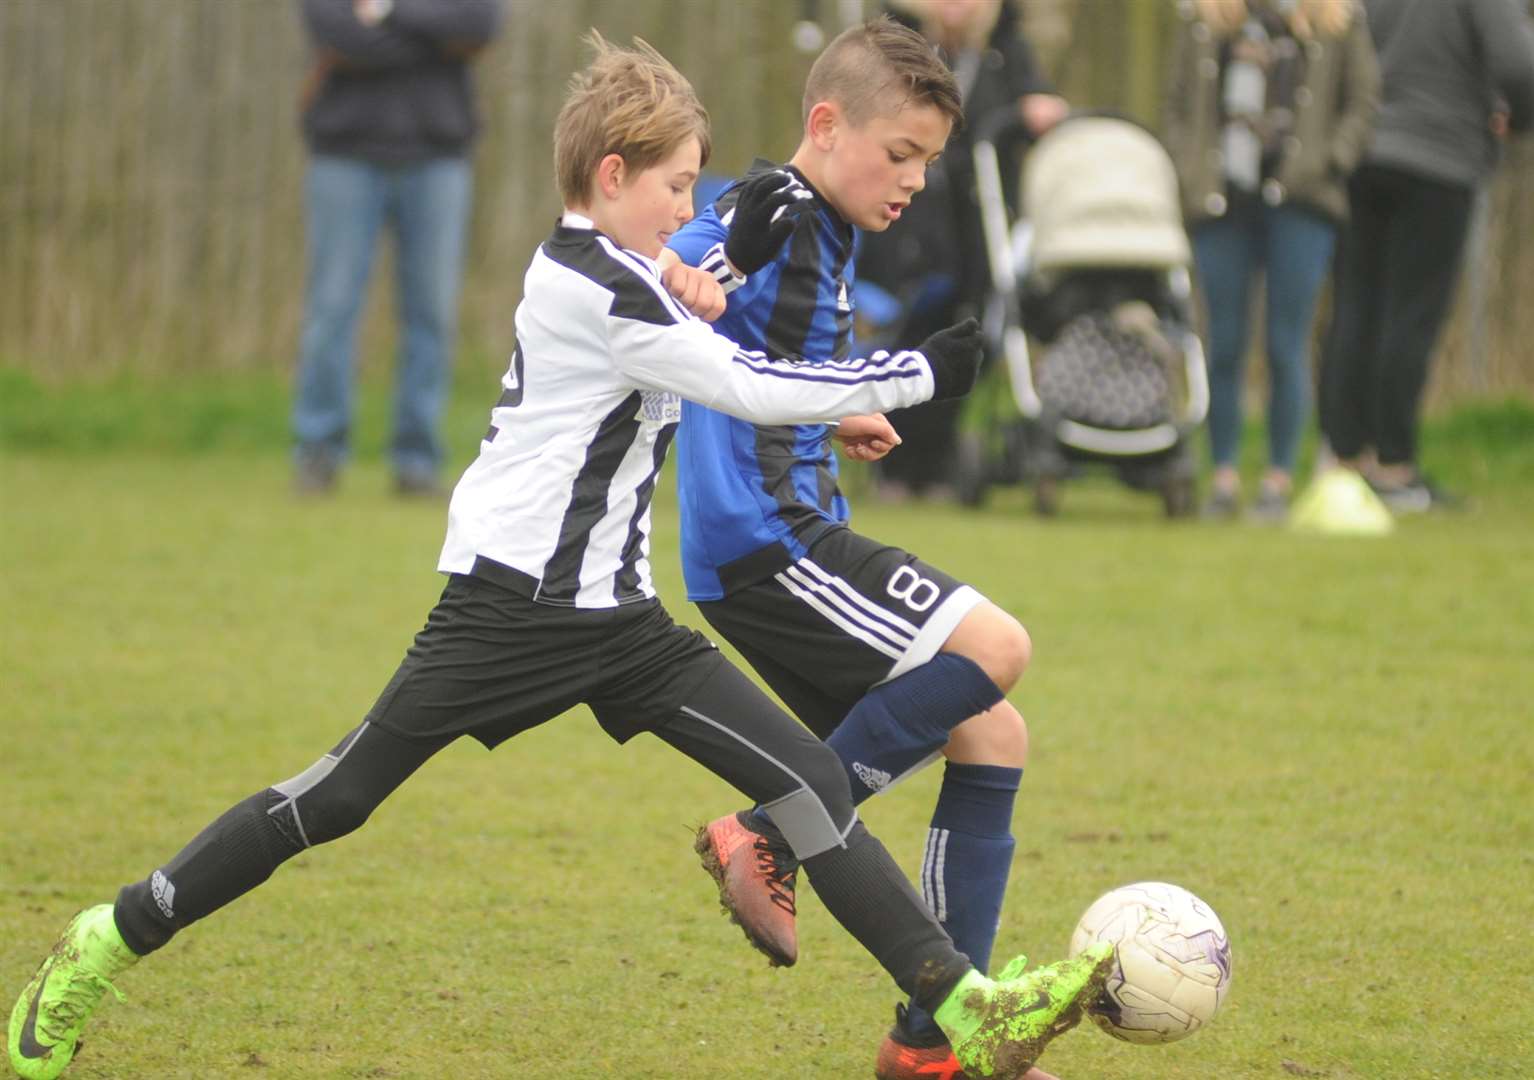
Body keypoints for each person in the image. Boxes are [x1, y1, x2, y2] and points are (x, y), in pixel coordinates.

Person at [6, 33, 1114, 1080]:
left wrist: (730, 249)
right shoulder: (595, 287)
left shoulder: (620, 267)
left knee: (812, 780)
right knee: (336, 799)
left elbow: (700, 301)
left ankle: (962, 1010)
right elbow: (740, 380)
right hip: (507, 615)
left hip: (623, 627)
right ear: (617, 173)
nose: (689, 209)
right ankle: (106, 938)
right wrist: (914, 376)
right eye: (679, 186)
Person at [661, 17, 1070, 1080]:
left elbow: (748, 349)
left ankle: (928, 1046)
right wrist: (685, 269)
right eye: (900, 156)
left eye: (928, 164)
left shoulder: (827, 230)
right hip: (769, 535)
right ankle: (766, 830)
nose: (915, 183)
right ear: (825, 123)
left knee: (993, 734)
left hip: (767, 533)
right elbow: (689, 262)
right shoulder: (784, 204)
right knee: (995, 646)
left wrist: (828, 416)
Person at [1163, 0, 1379, 520]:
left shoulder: (1338, 20)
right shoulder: (1202, 19)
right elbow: (1177, 108)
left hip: (1302, 204)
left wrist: (1331, 161)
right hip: (1222, 204)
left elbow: (1363, 101)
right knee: (1225, 344)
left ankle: (1279, 481)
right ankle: (1223, 478)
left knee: (1287, 344)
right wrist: (1190, 170)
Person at [1318, 0, 1534, 512]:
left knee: (1354, 310)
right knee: (1410, 317)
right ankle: (1394, 470)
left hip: (1363, 156)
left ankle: (1345, 466)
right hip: (1440, 160)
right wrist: (1518, 118)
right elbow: (1519, 64)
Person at [290, 0, 503, 497]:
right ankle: (318, 453)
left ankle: (417, 460)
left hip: (438, 158)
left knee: (431, 315)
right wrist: (431, 35)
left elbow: (478, 22)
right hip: (343, 155)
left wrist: (384, 11)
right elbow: (335, 32)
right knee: (332, 309)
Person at [861, 0, 1069, 501]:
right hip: (910, 224)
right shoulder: (899, 46)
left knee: (964, 335)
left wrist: (1035, 109)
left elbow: (1029, 108)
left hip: (977, 226)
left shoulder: (1005, 52)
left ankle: (939, 457)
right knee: (907, 327)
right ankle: (894, 460)